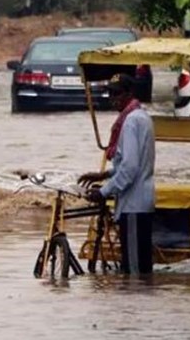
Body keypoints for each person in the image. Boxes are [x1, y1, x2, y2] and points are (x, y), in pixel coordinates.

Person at [78, 73, 156, 275]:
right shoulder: (142, 117)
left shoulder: (130, 122)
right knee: (140, 267)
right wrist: (103, 175)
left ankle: (132, 307)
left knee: (135, 272)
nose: (113, 99)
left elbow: (130, 169)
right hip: (142, 201)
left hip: (133, 205)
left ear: (129, 94)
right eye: (109, 94)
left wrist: (103, 192)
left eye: (116, 94)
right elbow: (130, 163)